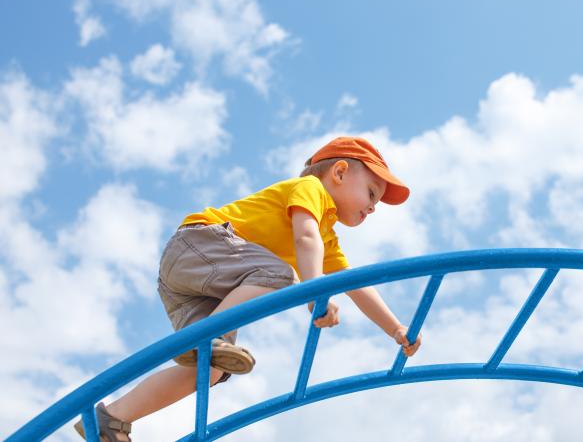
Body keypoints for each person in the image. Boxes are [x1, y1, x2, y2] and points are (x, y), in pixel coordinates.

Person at [75, 136, 422, 441]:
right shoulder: (311, 191)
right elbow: (305, 238)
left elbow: (355, 284)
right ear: (340, 173)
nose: (374, 207)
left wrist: (396, 328)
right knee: (282, 276)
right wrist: (316, 290)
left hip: (198, 283)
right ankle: (210, 338)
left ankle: (113, 418)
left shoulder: (327, 239)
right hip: (198, 246)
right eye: (372, 193)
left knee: (211, 368)